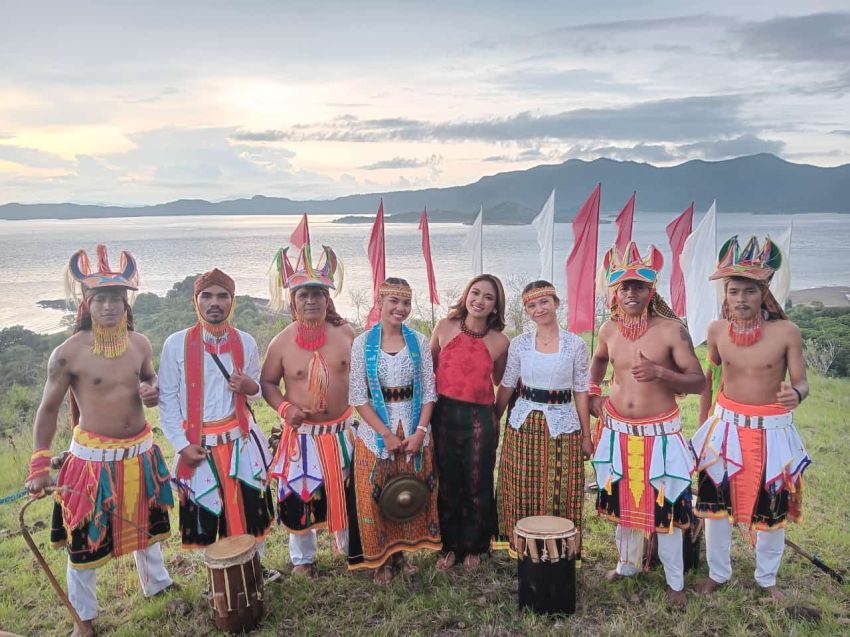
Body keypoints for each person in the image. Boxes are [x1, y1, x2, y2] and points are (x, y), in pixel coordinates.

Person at [25, 245, 173, 637]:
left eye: (116, 300)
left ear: (126, 305)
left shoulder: (140, 343)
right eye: (100, 300)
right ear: (86, 304)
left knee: (147, 524)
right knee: (85, 542)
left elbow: (149, 377)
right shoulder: (67, 353)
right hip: (91, 463)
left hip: (141, 452)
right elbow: (47, 410)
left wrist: (152, 388)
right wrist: (39, 466)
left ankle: (157, 584)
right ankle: (84, 620)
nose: (109, 307)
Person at [691, 236, 811, 600]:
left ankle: (767, 578)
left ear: (765, 293)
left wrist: (797, 395)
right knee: (714, 509)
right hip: (725, 430)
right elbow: (711, 380)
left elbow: (802, 383)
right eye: (733, 291)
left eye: (749, 291)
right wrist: (702, 428)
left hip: (771, 433)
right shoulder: (716, 331)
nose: (740, 299)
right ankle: (718, 573)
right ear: (724, 295)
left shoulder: (787, 332)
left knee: (771, 509)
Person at [589, 242, 704, 606]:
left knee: (666, 507)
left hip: (661, 435)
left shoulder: (672, 330)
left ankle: (675, 583)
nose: (630, 292)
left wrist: (660, 372)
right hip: (618, 430)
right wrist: (594, 396)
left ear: (651, 290)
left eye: (638, 285)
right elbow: (597, 366)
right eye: (624, 286)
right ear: (615, 292)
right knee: (624, 502)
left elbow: (698, 381)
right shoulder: (608, 328)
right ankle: (628, 565)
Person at [157, 268, 278, 580]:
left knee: (251, 507)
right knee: (210, 511)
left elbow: (258, 390)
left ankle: (256, 569)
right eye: (207, 295)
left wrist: (250, 387)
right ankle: (219, 575)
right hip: (199, 444)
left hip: (242, 439)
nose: (215, 302)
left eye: (222, 295)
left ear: (232, 301)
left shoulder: (246, 342)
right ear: (196, 301)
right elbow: (167, 399)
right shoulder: (176, 344)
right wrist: (181, 445)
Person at [261, 244, 356, 577]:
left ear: (328, 299)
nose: (311, 300)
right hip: (302, 436)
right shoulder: (281, 342)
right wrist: (285, 407)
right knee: (300, 493)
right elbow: (268, 384)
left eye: (318, 294)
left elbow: (361, 378)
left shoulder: (346, 333)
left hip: (342, 432)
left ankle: (351, 550)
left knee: (347, 491)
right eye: (304, 295)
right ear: (293, 300)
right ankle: (303, 559)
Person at [348, 278, 441, 584]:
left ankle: (402, 554)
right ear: (380, 303)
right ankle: (381, 559)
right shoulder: (363, 343)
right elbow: (358, 396)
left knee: (407, 493)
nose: (400, 309)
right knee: (373, 494)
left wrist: (420, 431)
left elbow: (429, 391)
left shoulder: (419, 341)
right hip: (376, 431)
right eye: (394, 302)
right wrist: (385, 434)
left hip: (413, 428)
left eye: (406, 303)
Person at [494, 280, 592, 559]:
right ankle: (523, 547)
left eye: (544, 302)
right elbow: (508, 384)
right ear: (526, 311)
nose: (539, 309)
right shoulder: (520, 344)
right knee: (520, 484)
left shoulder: (575, 345)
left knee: (562, 486)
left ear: (556, 303)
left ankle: (560, 549)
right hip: (524, 422)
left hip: (563, 424)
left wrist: (586, 435)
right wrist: (494, 419)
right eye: (532, 305)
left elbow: (581, 390)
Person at [430, 274, 509, 571]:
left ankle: (476, 545)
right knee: (448, 481)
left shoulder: (500, 341)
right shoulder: (444, 327)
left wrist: (495, 416)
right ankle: (450, 546)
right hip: (444, 413)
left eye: (488, 297)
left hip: (480, 417)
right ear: (466, 295)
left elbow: (502, 381)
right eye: (475, 293)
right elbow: (431, 370)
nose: (479, 301)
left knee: (477, 481)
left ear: (495, 306)